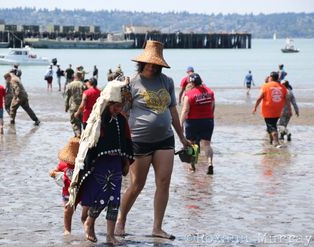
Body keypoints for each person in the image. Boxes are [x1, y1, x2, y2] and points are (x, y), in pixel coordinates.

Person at [115, 40, 191, 239]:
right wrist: (120, 143)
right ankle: (120, 220)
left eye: (156, 63)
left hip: (165, 139)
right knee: (136, 185)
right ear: (142, 62)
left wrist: (182, 137)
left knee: (164, 182)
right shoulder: (130, 82)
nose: (152, 66)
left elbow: (173, 110)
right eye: (149, 63)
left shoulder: (167, 82)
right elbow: (122, 113)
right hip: (139, 140)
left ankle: (157, 227)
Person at [68, 80, 134, 244]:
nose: (117, 109)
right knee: (101, 197)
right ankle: (90, 222)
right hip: (100, 165)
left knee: (114, 200)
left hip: (116, 164)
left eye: (120, 106)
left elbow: (125, 142)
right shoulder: (97, 121)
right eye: (114, 105)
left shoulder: (121, 121)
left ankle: (110, 235)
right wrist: (90, 165)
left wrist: (125, 162)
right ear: (108, 102)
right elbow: (90, 144)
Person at [49, 137, 88, 235]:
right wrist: (53, 173)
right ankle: (67, 230)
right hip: (68, 192)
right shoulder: (63, 164)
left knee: (86, 212)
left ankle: (87, 227)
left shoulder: (84, 164)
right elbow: (55, 170)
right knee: (68, 211)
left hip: (82, 191)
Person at [180, 73, 215, 175]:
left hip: (193, 122)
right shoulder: (210, 92)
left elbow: (185, 110)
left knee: (191, 144)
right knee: (207, 145)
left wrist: (181, 124)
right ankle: (210, 163)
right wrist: (210, 117)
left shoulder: (189, 95)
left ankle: (192, 166)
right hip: (208, 121)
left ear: (191, 82)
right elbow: (213, 106)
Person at [253, 71, 288, 147]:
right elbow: (286, 99)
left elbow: (260, 98)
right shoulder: (283, 87)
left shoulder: (265, 86)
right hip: (278, 110)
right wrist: (288, 108)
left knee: (271, 126)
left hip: (268, 110)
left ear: (271, 77)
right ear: (278, 78)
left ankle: (276, 143)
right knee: (272, 125)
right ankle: (271, 141)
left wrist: (255, 107)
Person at [65, 71, 86, 137]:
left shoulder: (69, 85)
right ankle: (82, 136)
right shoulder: (83, 85)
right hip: (83, 107)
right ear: (81, 76)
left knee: (74, 122)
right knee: (83, 122)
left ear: (74, 76)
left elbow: (67, 97)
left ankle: (78, 134)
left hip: (73, 107)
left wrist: (66, 107)